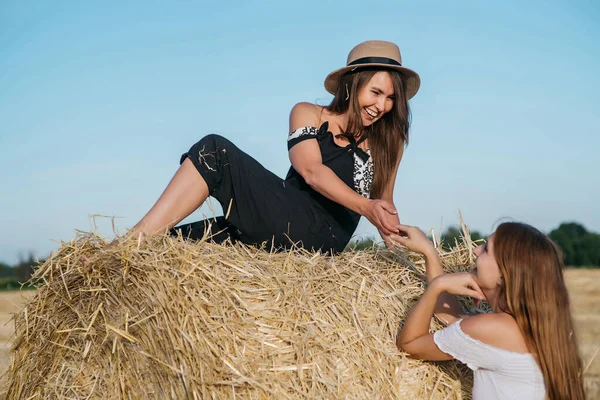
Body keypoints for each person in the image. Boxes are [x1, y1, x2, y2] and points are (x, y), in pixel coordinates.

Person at [126, 40, 421, 253]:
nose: (382, 105)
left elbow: (385, 202)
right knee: (177, 244)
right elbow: (310, 170)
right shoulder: (309, 114)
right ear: (352, 84)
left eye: (391, 98)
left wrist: (403, 259)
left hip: (323, 239)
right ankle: (128, 253)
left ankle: (127, 245)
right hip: (285, 218)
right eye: (376, 92)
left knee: (216, 151)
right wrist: (366, 206)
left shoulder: (389, 142)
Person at [394, 222, 585, 400]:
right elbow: (453, 321)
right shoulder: (538, 329)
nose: (476, 251)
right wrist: (429, 253)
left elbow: (410, 345)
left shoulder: (492, 328)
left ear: (503, 274)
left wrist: (435, 287)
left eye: (486, 249)